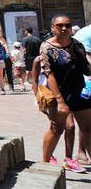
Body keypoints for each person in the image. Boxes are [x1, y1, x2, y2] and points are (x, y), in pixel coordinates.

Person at [39, 15, 91, 173]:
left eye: (67, 25)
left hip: (79, 92)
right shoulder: (47, 47)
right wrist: (60, 100)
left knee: (88, 128)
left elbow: (86, 68)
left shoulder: (77, 45)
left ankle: (73, 159)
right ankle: (45, 164)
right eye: (59, 25)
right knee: (57, 129)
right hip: (58, 93)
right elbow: (50, 75)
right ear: (53, 27)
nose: (64, 28)